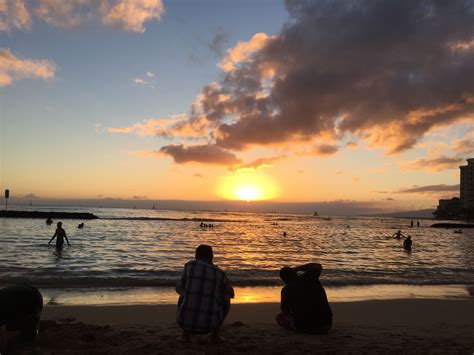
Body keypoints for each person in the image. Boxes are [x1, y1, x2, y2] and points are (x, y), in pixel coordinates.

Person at [176, 245, 234, 343]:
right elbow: (231, 293)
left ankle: (184, 335)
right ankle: (215, 335)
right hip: (209, 326)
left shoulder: (189, 266)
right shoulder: (219, 272)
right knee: (226, 298)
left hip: (185, 323)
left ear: (196, 256)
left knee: (182, 290)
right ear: (211, 257)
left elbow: (182, 285)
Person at [276, 263, 332, 334]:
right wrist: (297, 268)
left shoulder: (286, 290)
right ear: (295, 273)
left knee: (279, 317)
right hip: (326, 325)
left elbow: (285, 311)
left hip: (304, 327)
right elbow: (317, 266)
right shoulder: (311, 277)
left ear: (284, 280)